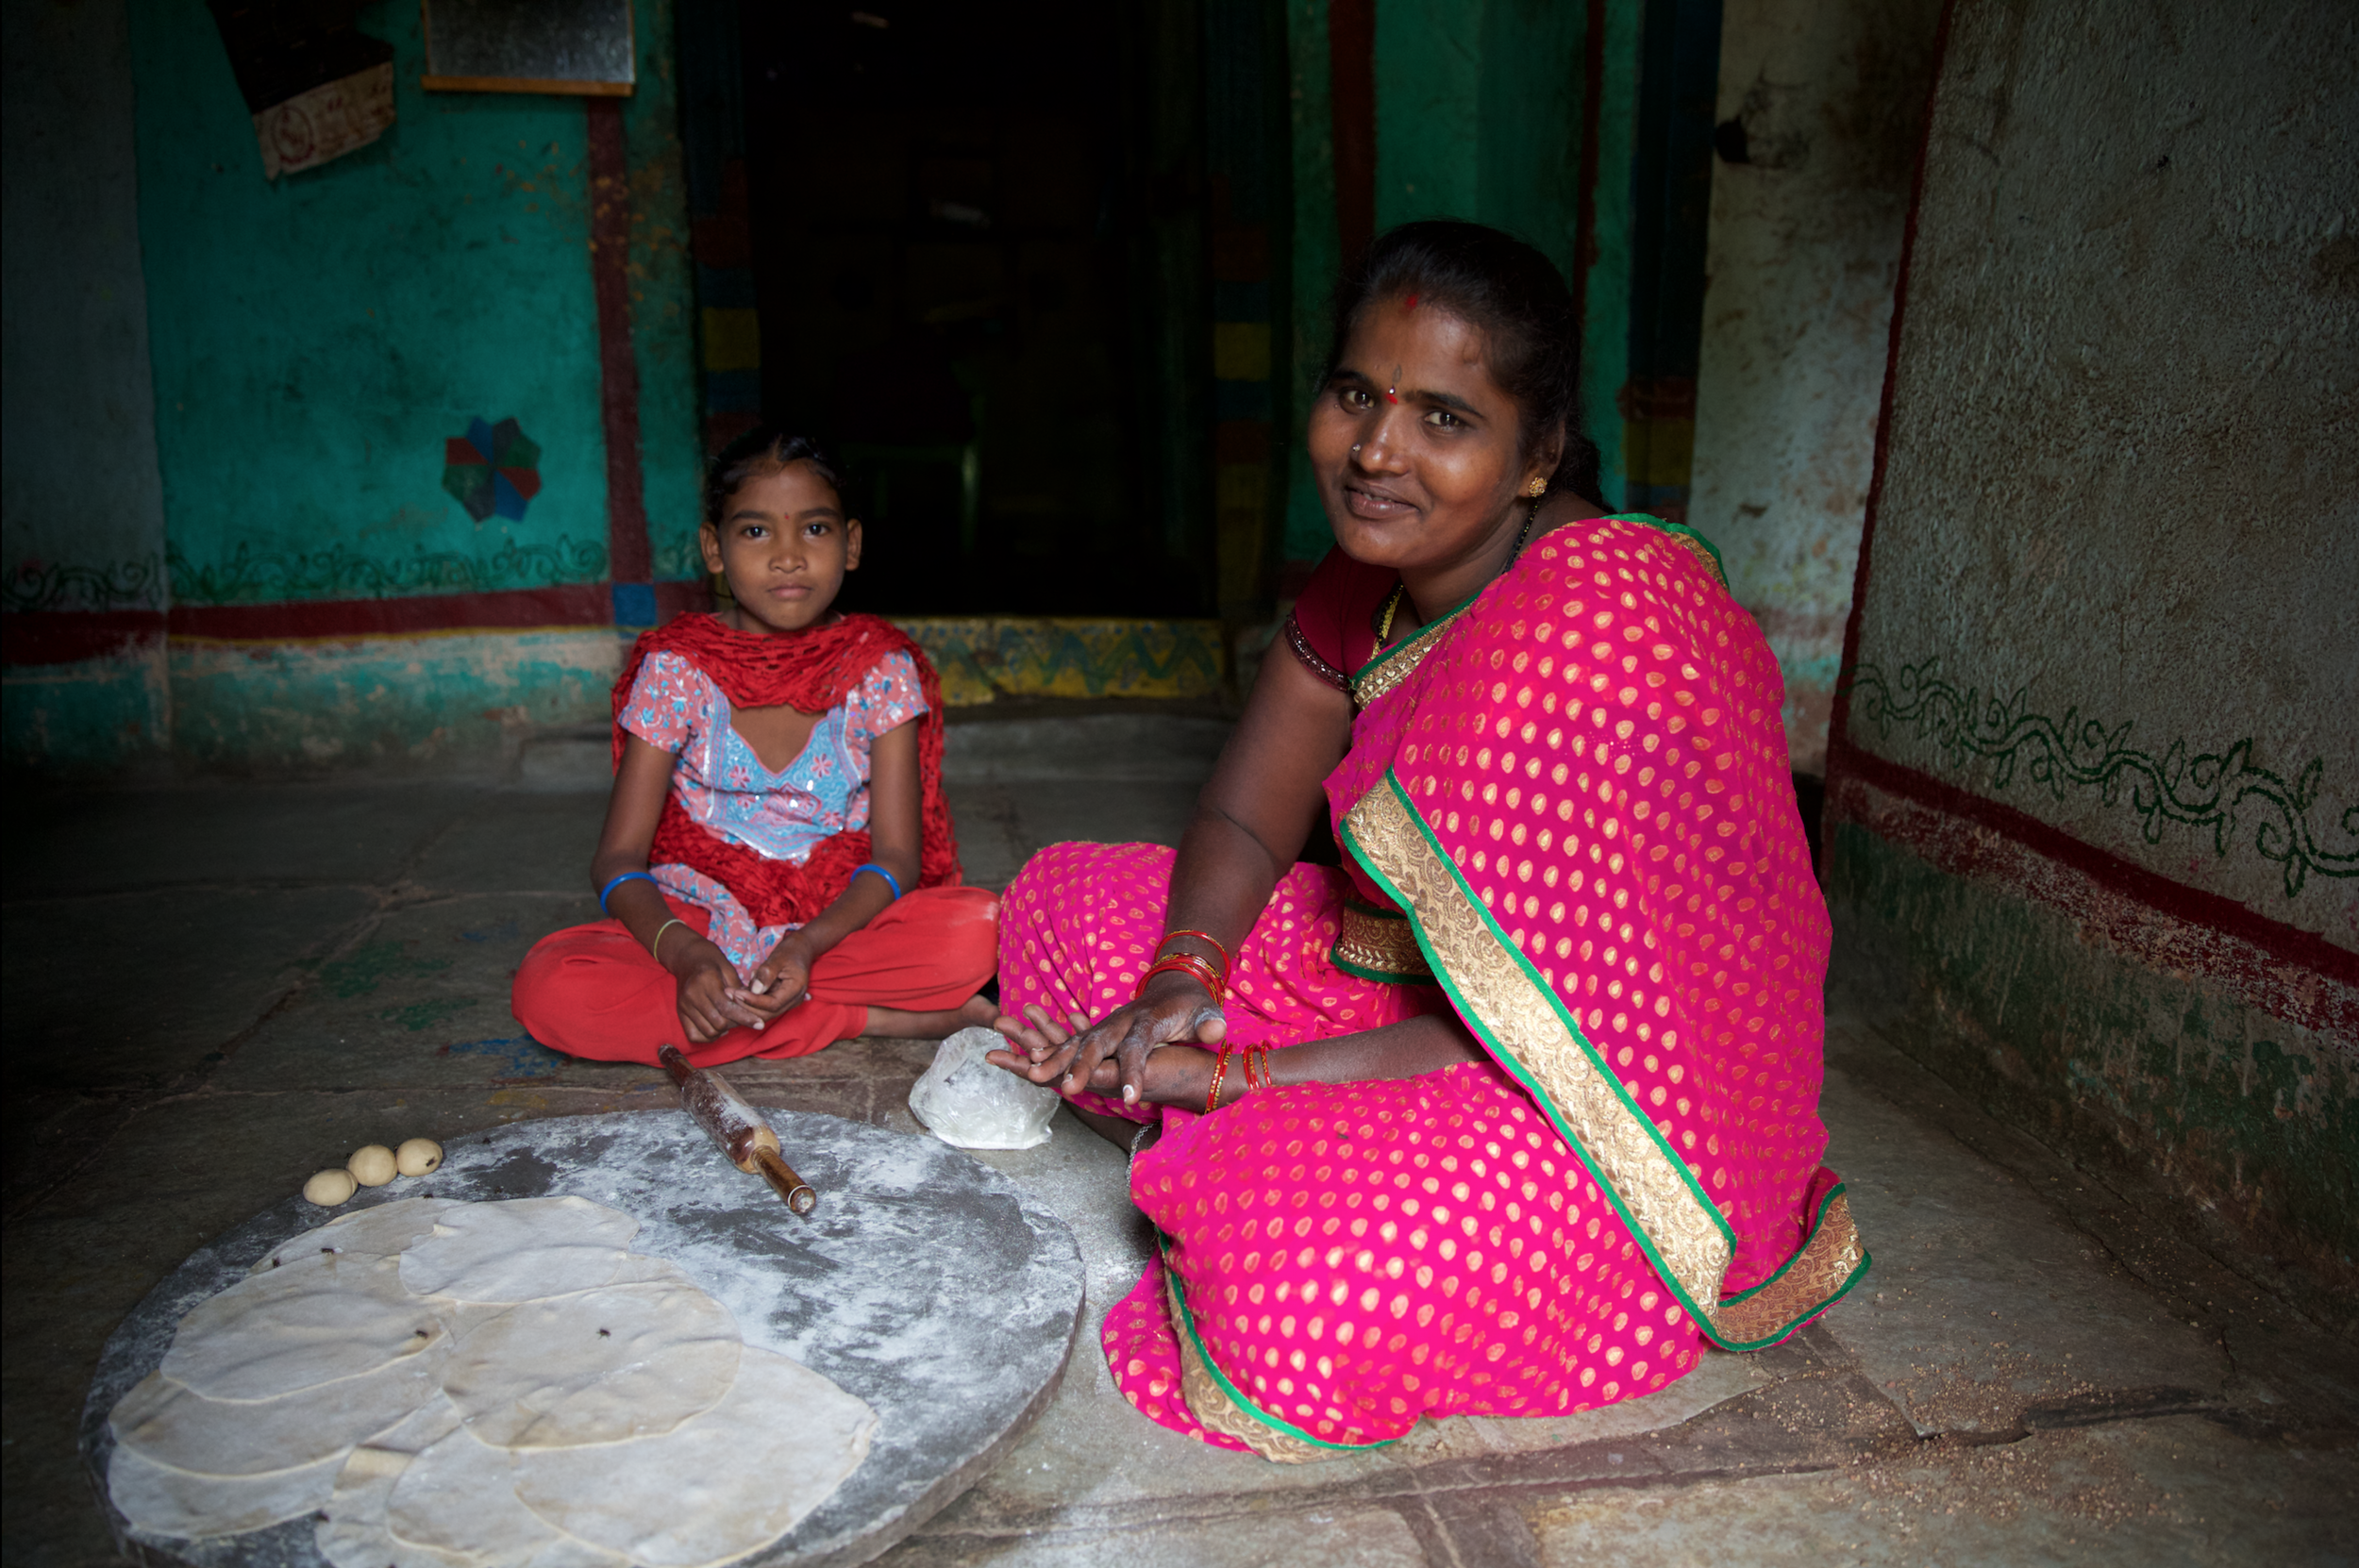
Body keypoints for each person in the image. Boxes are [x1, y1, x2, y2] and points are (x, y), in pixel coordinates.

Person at [988, 222, 1866, 1460]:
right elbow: (1245, 812)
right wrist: (1183, 979)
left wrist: (1236, 1075)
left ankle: (1224, 1132)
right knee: (1064, 904)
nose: (1377, 451)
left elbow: (1551, 1021)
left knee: (1298, 1285)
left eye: (1445, 420)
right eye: (1356, 394)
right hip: (1372, 978)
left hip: (1584, 1091)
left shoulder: (1601, 627)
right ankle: (1209, 1113)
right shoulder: (1367, 580)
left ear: (1537, 453)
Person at [511, 430, 998, 1067]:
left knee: (981, 930)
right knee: (549, 987)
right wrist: (683, 954)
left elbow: (899, 859)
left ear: (851, 544)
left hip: (835, 923)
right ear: (714, 548)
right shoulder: (675, 670)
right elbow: (618, 858)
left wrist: (805, 947)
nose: (789, 557)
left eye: (815, 530)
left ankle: (755, 1007)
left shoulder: (881, 670)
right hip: (702, 913)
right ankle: (865, 1017)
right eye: (756, 532)